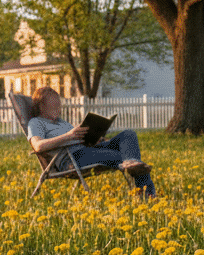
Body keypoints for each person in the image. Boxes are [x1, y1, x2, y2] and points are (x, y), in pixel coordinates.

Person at [26, 86, 158, 200]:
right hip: (72, 159)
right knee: (124, 157)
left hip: (87, 150)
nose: (58, 107)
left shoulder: (62, 122)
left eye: (58, 103)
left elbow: (75, 138)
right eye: (54, 104)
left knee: (128, 135)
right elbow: (38, 146)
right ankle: (147, 194)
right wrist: (69, 135)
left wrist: (94, 137)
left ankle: (135, 170)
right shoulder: (36, 122)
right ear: (41, 106)